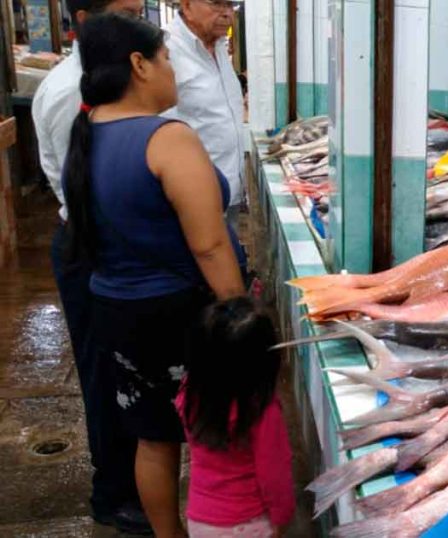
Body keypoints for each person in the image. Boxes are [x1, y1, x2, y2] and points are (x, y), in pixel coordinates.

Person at [64, 13, 247, 537]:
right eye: (166, 60)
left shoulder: (90, 130)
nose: (172, 71)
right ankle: (228, 527)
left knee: (153, 436)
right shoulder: (168, 139)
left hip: (116, 309)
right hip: (177, 313)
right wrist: (238, 312)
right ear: (139, 66)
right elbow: (209, 244)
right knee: (220, 433)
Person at [31, 0, 151, 533]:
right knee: (103, 374)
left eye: (141, 10)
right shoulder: (68, 93)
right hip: (92, 247)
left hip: (110, 242)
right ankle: (113, 494)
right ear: (85, 20)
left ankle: (132, 483)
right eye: (126, 11)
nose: (138, 21)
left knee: (127, 371)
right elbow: (89, 191)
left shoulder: (112, 77)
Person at [177, 297, 295, 537]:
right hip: (248, 523)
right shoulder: (262, 411)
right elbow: (274, 475)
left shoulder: (188, 394)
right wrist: (283, 517)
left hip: (201, 520)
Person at [163, 0, 248, 229]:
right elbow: (160, 132)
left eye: (231, 5)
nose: (227, 14)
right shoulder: (165, 51)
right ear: (187, 5)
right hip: (193, 196)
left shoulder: (219, 45)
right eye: (217, 4)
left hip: (229, 186)